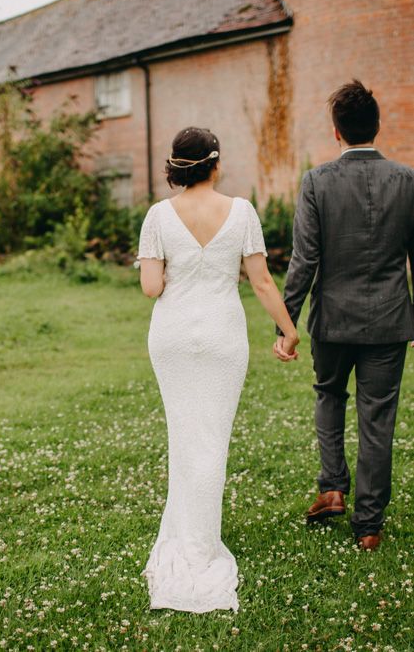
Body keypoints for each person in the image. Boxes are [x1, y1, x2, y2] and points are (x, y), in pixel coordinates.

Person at [136, 126, 299, 613]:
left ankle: (190, 539)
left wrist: (171, 266)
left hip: (173, 338)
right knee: (212, 438)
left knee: (184, 434)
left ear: (175, 166)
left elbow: (150, 287)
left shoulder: (158, 216)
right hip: (224, 338)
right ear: (215, 163)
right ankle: (200, 546)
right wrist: (288, 331)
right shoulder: (243, 211)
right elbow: (263, 282)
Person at [273, 79, 414, 551]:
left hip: (332, 320)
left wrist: (286, 324)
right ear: (378, 126)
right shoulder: (408, 180)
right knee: (379, 418)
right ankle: (369, 527)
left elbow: (304, 260)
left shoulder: (317, 181)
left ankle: (332, 486)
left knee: (329, 395)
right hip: (391, 321)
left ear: (336, 133)